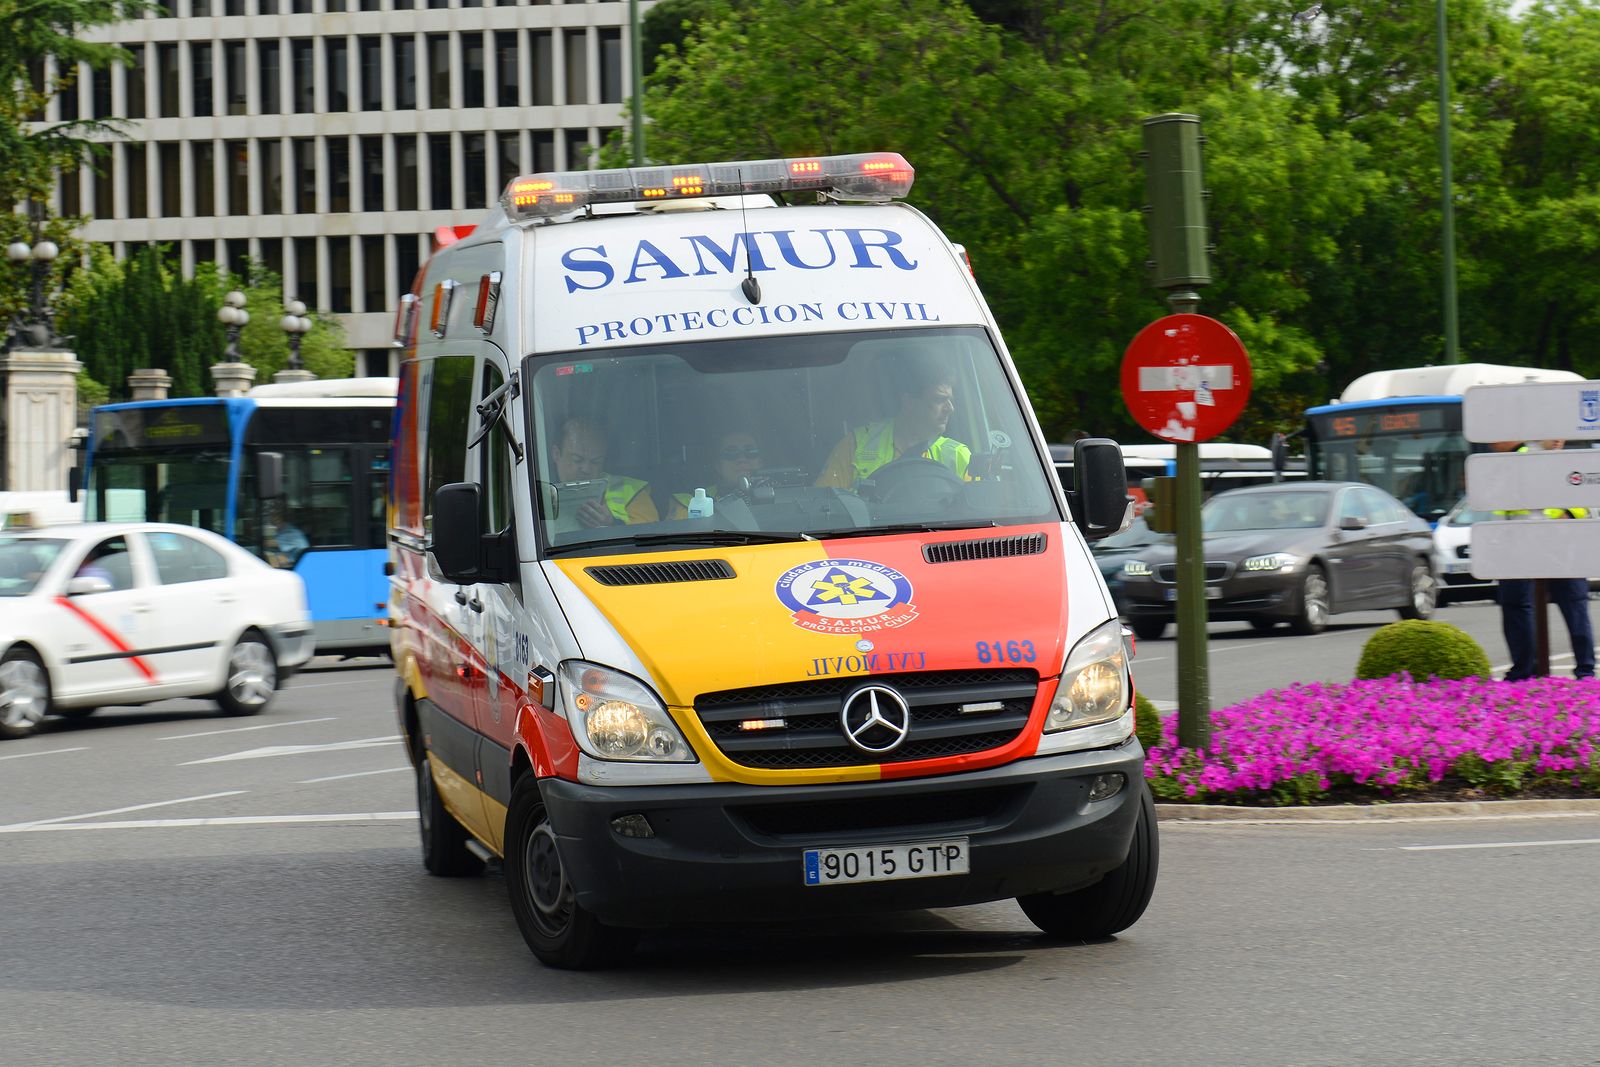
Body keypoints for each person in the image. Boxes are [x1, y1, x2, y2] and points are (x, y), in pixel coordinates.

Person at [1492, 440, 1595, 681]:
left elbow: (1580, 502)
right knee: (1574, 606)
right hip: (1557, 547)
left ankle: (1526, 671)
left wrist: (1561, 517)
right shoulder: (1557, 459)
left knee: (1520, 605)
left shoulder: (1522, 459)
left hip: (1542, 547)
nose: (1558, 439)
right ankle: (1585, 672)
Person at [815, 359, 972, 490]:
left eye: (950, 400)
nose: (950, 409)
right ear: (908, 402)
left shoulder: (958, 455)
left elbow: (980, 509)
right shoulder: (856, 445)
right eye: (939, 400)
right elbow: (825, 506)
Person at [551, 416, 659, 526]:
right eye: (577, 460)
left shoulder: (630, 491)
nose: (586, 469)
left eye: (595, 462)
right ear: (556, 454)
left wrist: (613, 524)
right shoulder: (536, 494)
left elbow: (650, 533)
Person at [668, 429, 764, 519]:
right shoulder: (690, 504)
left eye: (751, 452)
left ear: (760, 462)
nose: (742, 459)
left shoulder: (777, 495)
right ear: (717, 465)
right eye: (731, 453)